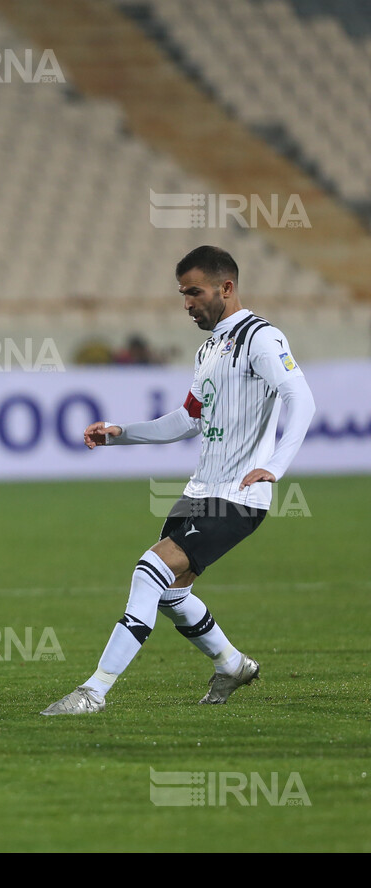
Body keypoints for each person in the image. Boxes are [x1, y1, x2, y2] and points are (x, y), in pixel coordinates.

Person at [42, 246, 317, 715]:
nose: (187, 303)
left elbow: (302, 398)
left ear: (226, 289)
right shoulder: (209, 349)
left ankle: (94, 691)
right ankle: (231, 665)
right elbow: (187, 421)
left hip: (237, 496)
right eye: (183, 294)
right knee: (172, 593)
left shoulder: (260, 339)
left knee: (149, 570)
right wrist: (120, 434)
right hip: (199, 492)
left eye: (195, 292)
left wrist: (277, 465)